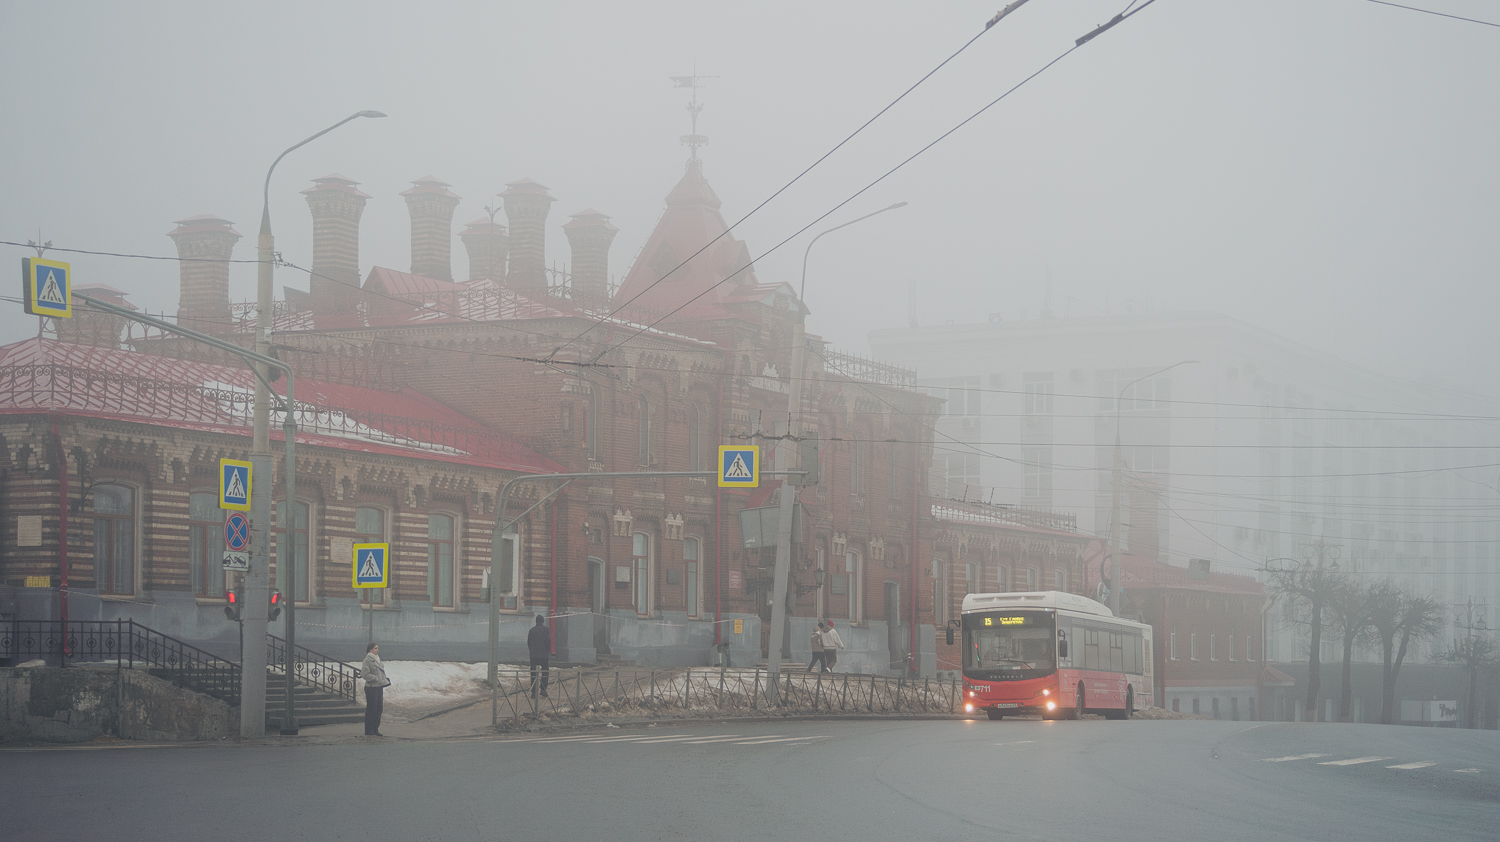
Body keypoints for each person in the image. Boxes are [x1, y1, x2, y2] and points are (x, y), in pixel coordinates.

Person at [361, 642, 389, 737]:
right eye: (375, 648)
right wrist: (375, 678)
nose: (377, 650)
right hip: (371, 688)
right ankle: (369, 730)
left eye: (377, 648)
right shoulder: (367, 660)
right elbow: (364, 674)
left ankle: (375, 729)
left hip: (379, 687)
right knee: (371, 709)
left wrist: (383, 680)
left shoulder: (378, 659)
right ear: (370, 650)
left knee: (379, 709)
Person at [527, 614, 551, 698]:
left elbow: (529, 643)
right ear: (543, 621)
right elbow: (548, 642)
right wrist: (547, 651)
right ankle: (543, 689)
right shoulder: (546, 630)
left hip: (533, 656)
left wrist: (532, 651)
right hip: (544, 655)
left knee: (533, 673)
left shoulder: (531, 630)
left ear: (536, 621)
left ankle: (533, 692)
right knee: (545, 672)